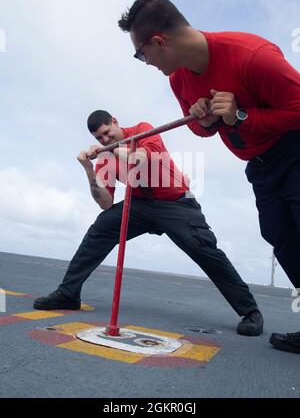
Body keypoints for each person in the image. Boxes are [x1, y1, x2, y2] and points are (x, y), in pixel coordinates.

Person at [118, 0, 300, 353]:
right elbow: (201, 130)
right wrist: (206, 120)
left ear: (158, 42)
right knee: (284, 241)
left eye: (141, 55)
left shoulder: (252, 55)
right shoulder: (178, 80)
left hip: (294, 153)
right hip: (260, 168)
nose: (145, 62)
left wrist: (242, 115)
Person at [34, 110, 263, 336]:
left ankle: (250, 311)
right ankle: (68, 294)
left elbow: (141, 159)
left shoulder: (142, 130)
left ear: (115, 121)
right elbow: (105, 202)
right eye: (99, 139)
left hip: (176, 202)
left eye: (106, 133)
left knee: (205, 250)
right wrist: (88, 170)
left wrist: (109, 149)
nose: (104, 140)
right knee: (100, 230)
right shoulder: (106, 157)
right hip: (140, 204)